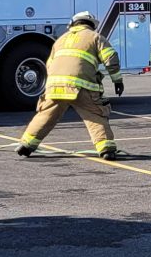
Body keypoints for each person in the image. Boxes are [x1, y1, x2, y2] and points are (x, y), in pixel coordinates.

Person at [16, 11, 125, 160]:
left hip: (54, 87)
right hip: (81, 87)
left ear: (73, 24)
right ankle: (106, 149)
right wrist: (117, 80)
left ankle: (26, 144)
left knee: (46, 115)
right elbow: (111, 59)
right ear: (91, 25)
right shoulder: (95, 37)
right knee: (95, 115)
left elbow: (49, 64)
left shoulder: (60, 40)